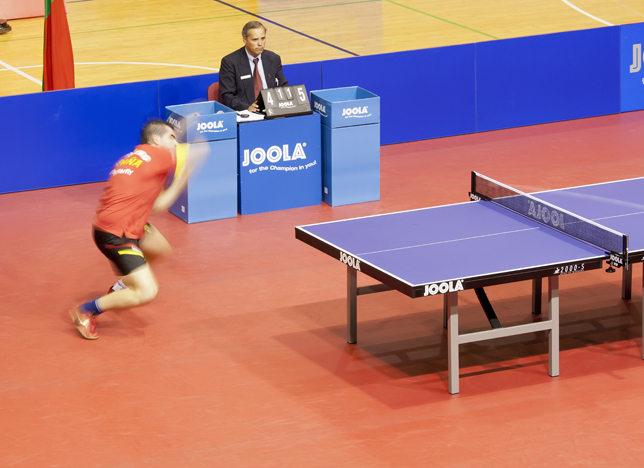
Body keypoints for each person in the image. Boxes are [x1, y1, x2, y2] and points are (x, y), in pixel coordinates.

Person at [69, 120, 204, 340]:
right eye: (171, 138)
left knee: (159, 248)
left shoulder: (133, 158)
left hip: (125, 221)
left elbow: (158, 205)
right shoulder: (158, 155)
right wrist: (197, 133)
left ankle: (121, 286)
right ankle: (87, 311)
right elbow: (199, 150)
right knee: (147, 292)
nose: (175, 143)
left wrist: (181, 173)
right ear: (155, 140)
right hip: (115, 234)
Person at [219, 21, 289, 112]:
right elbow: (227, 96)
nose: (260, 43)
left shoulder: (273, 58)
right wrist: (247, 108)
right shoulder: (230, 62)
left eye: (263, 38)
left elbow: (283, 86)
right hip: (247, 113)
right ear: (245, 39)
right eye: (255, 40)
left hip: (272, 111)